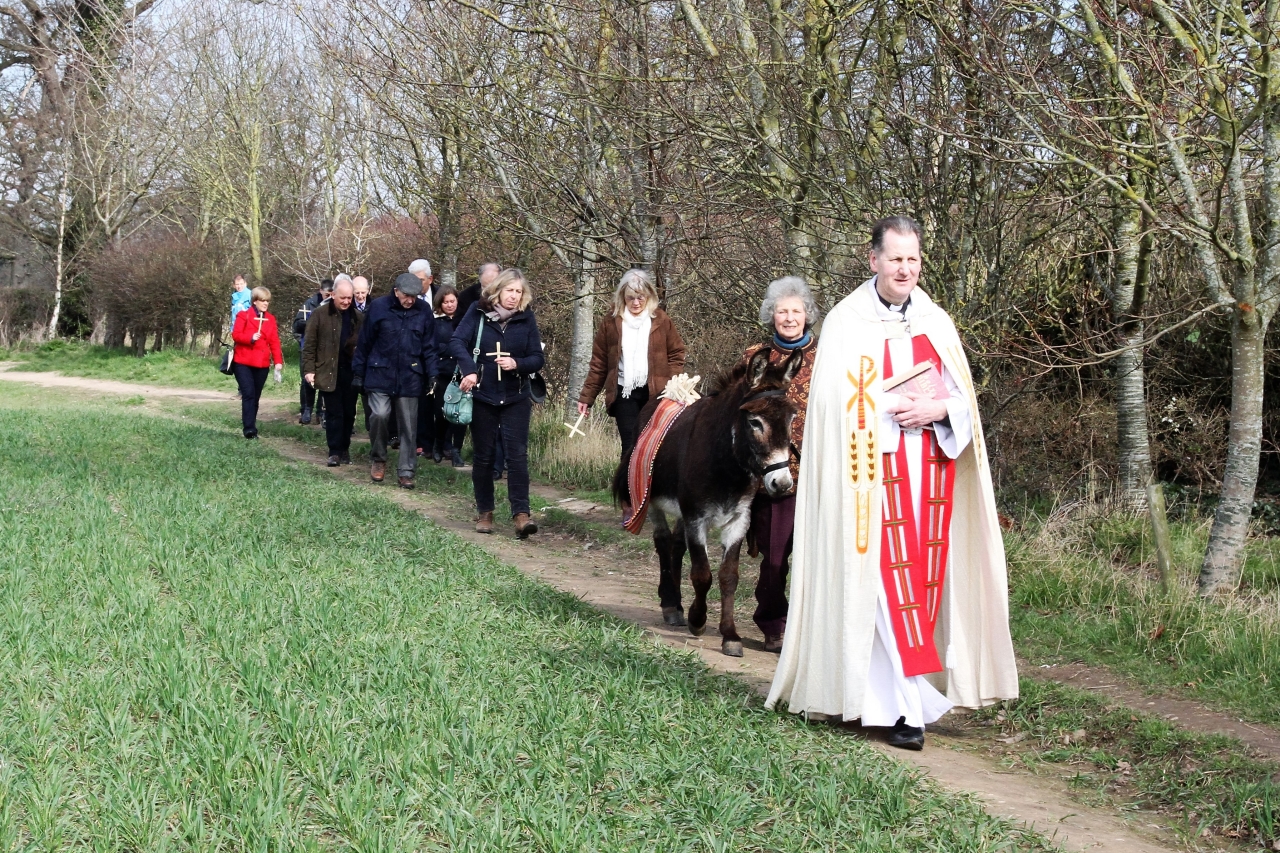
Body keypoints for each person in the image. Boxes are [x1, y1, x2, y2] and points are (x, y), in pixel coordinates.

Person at [765, 216, 1018, 750]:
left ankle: (880, 698)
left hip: (930, 481)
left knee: (915, 594)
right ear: (872, 259)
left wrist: (938, 407)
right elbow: (833, 408)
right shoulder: (845, 322)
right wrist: (887, 406)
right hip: (869, 482)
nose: (905, 269)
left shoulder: (936, 322)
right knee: (883, 591)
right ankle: (907, 711)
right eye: (895, 258)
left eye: (913, 259)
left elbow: (964, 403)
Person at [742, 276, 821, 653]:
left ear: (808, 314)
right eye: (782, 311)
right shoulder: (754, 357)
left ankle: (812, 627)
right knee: (775, 557)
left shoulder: (827, 357)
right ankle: (772, 623)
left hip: (819, 472)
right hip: (772, 475)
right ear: (771, 315)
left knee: (818, 558)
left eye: (796, 311)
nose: (789, 318)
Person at [450, 268, 544, 538]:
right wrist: (469, 369)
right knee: (484, 456)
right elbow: (457, 342)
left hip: (516, 395)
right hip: (484, 394)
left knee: (517, 457)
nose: (514, 297)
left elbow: (537, 358)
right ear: (498, 291)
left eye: (518, 292)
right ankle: (485, 512)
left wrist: (518, 363)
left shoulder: (526, 319)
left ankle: (522, 516)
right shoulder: (478, 312)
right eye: (509, 291)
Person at [577, 268, 686, 471]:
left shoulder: (661, 320)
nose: (636, 303)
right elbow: (599, 363)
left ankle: (652, 495)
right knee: (630, 444)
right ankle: (628, 495)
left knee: (654, 445)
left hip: (656, 393)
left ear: (649, 296)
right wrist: (586, 397)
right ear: (622, 298)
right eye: (630, 298)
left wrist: (671, 384)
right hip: (623, 392)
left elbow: (677, 354)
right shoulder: (610, 323)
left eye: (640, 297)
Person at [352, 272, 437, 489]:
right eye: (407, 295)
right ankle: (379, 458)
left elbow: (429, 346)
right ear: (396, 291)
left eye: (415, 296)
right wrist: (358, 373)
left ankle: (406, 470)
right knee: (379, 415)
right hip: (380, 371)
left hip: (410, 375)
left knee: (408, 425)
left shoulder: (423, 311)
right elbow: (364, 342)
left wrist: (432, 373)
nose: (410, 300)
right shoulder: (379, 308)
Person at [302, 278, 364, 467]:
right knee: (334, 413)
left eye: (349, 298)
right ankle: (334, 451)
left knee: (348, 413)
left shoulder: (358, 317)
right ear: (333, 295)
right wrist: (309, 369)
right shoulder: (319, 314)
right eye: (342, 297)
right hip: (328, 371)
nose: (346, 301)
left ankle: (345, 448)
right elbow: (309, 343)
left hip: (350, 372)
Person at [230, 286, 284, 439]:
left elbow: (274, 341)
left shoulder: (271, 319)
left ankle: (252, 424)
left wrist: (278, 361)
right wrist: (250, 338)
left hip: (262, 364)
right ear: (255, 301)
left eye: (267, 301)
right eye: (262, 300)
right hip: (243, 362)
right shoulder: (243, 315)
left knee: (256, 396)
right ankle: (249, 429)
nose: (265, 304)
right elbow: (236, 335)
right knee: (248, 394)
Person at [430, 285, 466, 466]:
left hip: (462, 373)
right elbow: (432, 347)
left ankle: (456, 450)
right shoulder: (435, 321)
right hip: (443, 372)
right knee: (442, 412)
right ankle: (438, 445)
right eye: (446, 302)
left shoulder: (465, 320)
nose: (450, 305)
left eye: (453, 301)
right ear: (440, 303)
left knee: (461, 414)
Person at [294, 277, 335, 424]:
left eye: (332, 295)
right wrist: (304, 342)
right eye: (326, 295)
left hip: (326, 350)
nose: (329, 298)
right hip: (309, 348)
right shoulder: (310, 304)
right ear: (321, 292)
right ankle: (306, 409)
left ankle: (321, 411)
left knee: (323, 380)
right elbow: (297, 326)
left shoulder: (334, 306)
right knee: (307, 380)